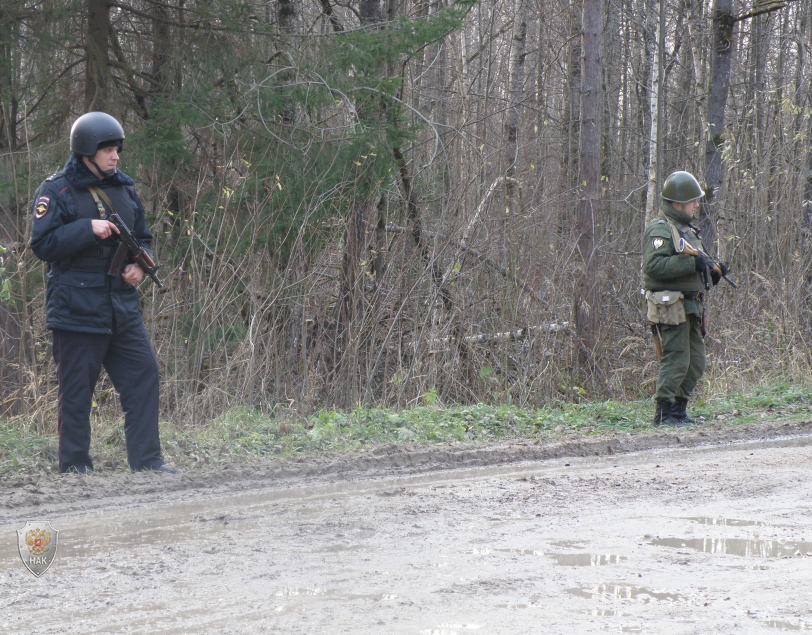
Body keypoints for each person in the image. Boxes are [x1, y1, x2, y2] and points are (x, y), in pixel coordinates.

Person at [30, 111, 176, 474]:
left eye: (117, 150)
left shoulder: (124, 188)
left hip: (121, 307)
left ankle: (147, 462)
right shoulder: (56, 189)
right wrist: (86, 228)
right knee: (77, 393)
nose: (115, 157)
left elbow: (143, 237)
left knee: (144, 375)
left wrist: (141, 266)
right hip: (76, 308)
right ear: (87, 151)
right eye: (108, 150)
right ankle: (76, 467)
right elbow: (42, 244)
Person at [642, 171, 728, 427]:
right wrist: (691, 264)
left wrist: (713, 273)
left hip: (691, 304)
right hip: (670, 305)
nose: (696, 205)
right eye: (692, 201)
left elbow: (693, 267)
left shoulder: (687, 230)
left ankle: (678, 411)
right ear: (678, 202)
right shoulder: (661, 229)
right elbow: (654, 266)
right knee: (676, 358)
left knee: (696, 362)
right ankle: (663, 413)